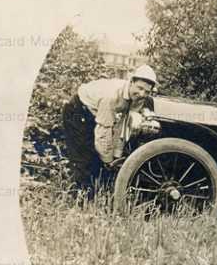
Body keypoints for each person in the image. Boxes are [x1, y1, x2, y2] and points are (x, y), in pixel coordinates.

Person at [62, 65, 158, 193]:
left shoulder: (139, 98)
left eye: (147, 91)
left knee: (101, 154)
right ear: (131, 82)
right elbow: (103, 131)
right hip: (78, 110)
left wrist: (116, 154)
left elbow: (122, 125)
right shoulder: (111, 96)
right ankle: (79, 196)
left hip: (97, 113)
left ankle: (97, 191)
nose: (142, 94)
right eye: (139, 88)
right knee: (83, 156)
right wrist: (109, 161)